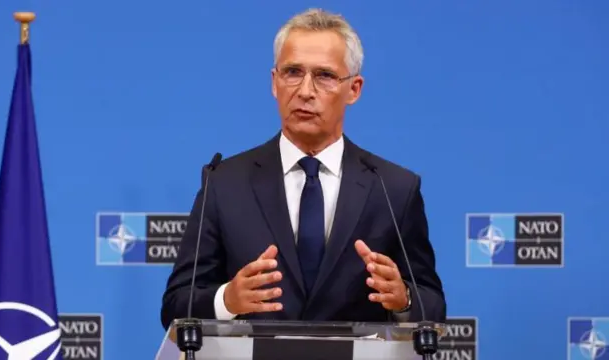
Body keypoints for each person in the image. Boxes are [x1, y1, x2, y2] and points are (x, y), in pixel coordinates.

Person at [160, 8, 446, 330]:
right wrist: (227, 300)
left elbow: (433, 306)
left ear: (354, 89)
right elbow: (175, 306)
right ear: (274, 82)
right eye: (293, 72)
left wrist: (404, 298)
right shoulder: (224, 183)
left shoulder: (394, 188)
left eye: (324, 75)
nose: (305, 91)